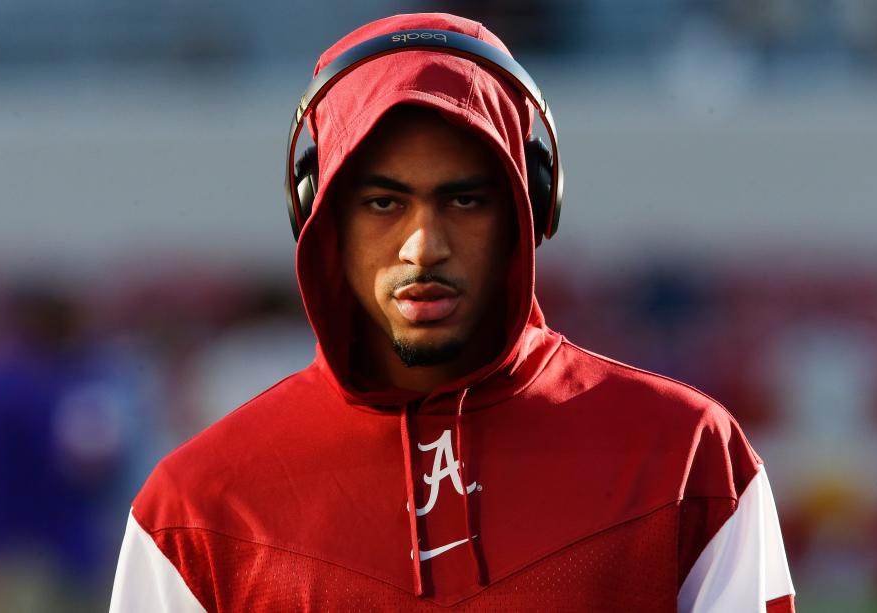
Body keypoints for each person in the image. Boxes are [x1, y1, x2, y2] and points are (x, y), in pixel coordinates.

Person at [110, 13, 796, 612]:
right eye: (383, 203)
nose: (423, 246)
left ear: (531, 207)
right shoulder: (192, 509)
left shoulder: (692, 460)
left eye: (465, 200)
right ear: (317, 215)